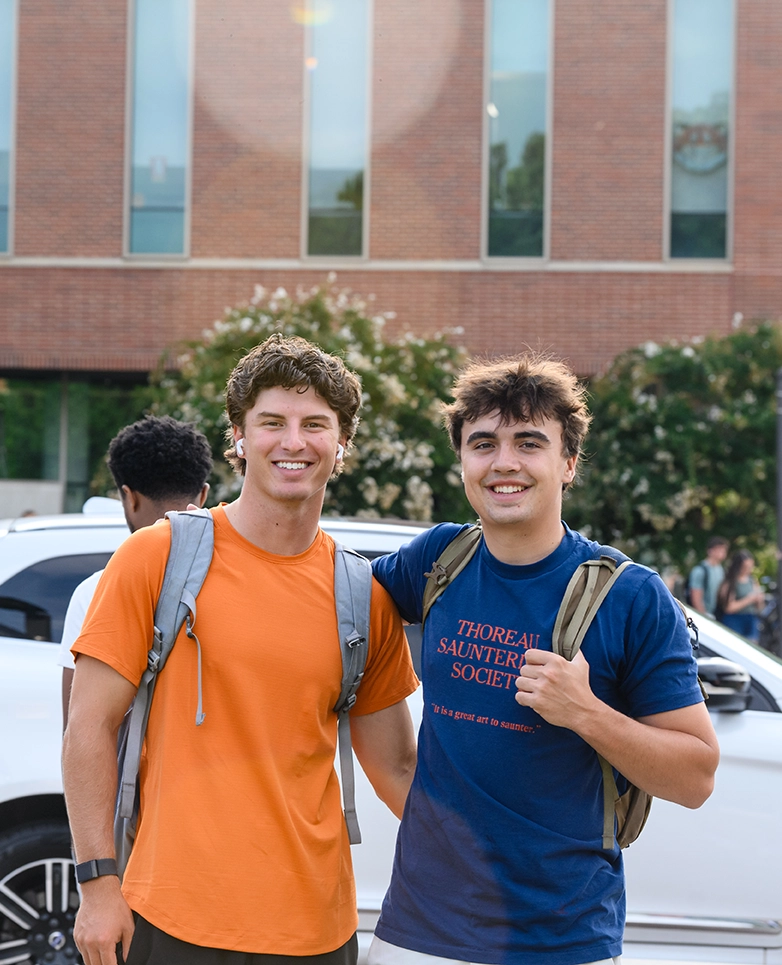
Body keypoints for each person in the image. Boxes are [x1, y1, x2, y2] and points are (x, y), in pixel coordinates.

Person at [62, 334, 419, 965]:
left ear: (341, 445)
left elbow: (396, 769)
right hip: (169, 917)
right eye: (272, 422)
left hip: (316, 930)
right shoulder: (159, 557)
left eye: (315, 425)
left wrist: (504, 853)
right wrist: (97, 883)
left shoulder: (362, 594)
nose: (293, 442)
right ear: (239, 436)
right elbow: (89, 725)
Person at [368, 353, 720, 965]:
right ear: (463, 465)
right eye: (483, 444)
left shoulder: (631, 597)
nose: (504, 462)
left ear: (568, 463)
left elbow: (695, 777)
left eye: (529, 442)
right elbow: (327, 605)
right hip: (419, 934)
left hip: (562, 942)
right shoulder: (436, 560)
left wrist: (585, 712)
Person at [59, 415, 213, 727]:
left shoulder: (95, 590)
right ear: (203, 495)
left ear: (129, 497)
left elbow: (78, 728)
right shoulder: (238, 578)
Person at [716, 549, 765, 641]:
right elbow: (729, 607)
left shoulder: (752, 580)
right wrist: (749, 599)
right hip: (735, 620)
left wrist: (759, 600)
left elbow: (760, 607)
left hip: (751, 619)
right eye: (745, 567)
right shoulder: (730, 582)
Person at [687, 535, 730, 617]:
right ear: (710, 551)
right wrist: (703, 615)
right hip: (702, 615)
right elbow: (695, 596)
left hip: (715, 614)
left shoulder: (721, 570)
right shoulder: (700, 570)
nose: (723, 553)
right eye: (719, 549)